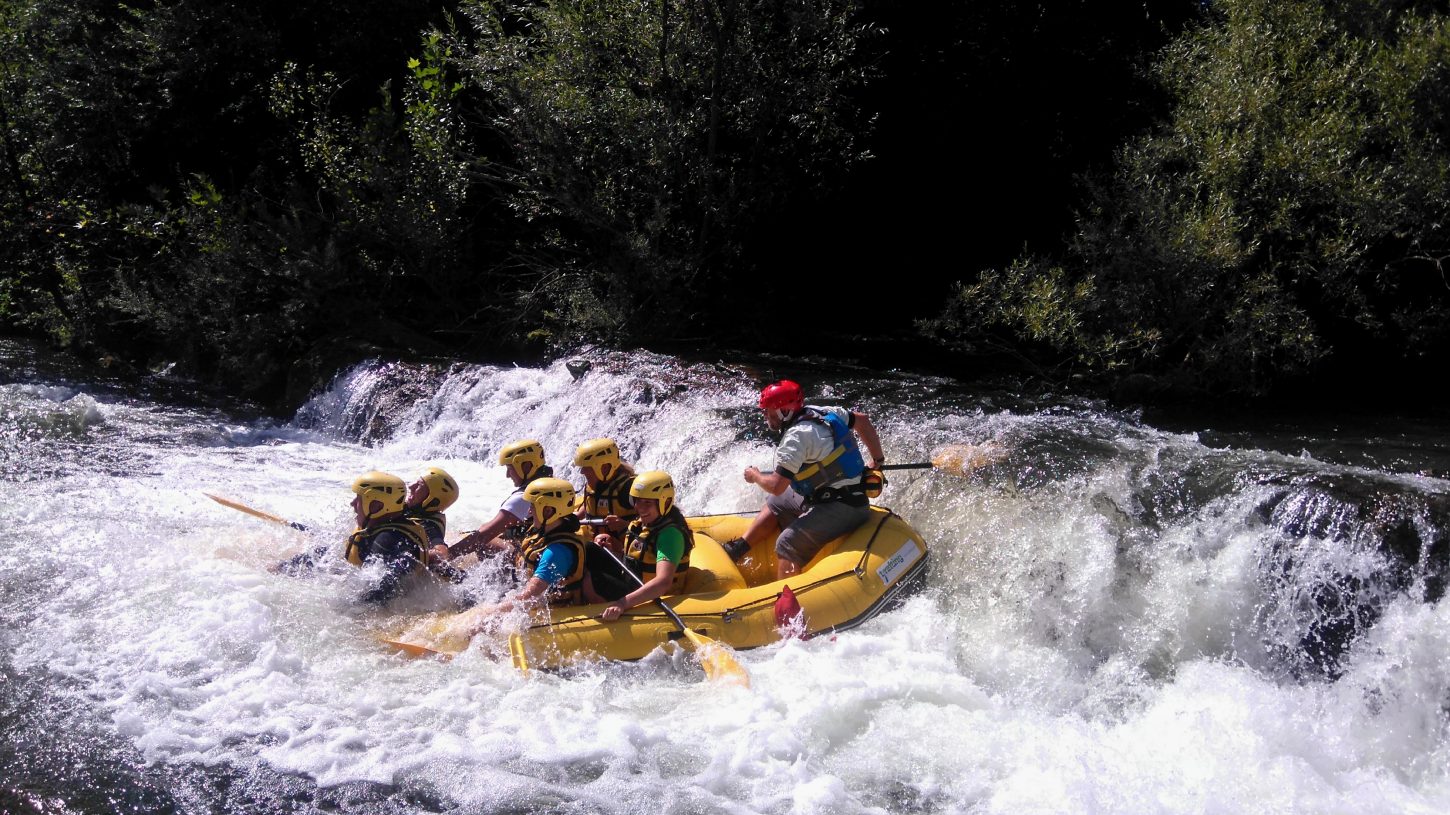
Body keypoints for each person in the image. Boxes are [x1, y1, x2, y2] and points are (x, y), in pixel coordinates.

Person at [731, 379, 886, 579]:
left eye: (768, 410)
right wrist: (878, 460)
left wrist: (755, 476)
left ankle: (786, 605)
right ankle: (739, 548)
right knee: (777, 502)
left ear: (784, 411)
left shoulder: (796, 438)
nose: (765, 415)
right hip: (838, 496)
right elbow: (862, 420)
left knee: (786, 543)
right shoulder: (823, 412)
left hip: (844, 507)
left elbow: (776, 485)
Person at [273, 471, 432, 605]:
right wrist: (286, 566)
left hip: (398, 609)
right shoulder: (384, 528)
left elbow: (389, 581)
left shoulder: (386, 540)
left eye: (359, 499)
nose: (352, 503)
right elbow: (329, 555)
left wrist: (350, 609)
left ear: (376, 505)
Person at [592, 470, 694, 621]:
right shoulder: (643, 524)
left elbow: (663, 582)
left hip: (650, 596)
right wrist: (614, 549)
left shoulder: (670, 535)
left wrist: (622, 603)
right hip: (632, 583)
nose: (640, 508)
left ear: (665, 502)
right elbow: (638, 562)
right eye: (637, 501)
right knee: (590, 551)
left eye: (648, 502)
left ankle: (590, 615)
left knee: (590, 577)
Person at [432, 439, 550, 565]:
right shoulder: (550, 486)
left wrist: (449, 555)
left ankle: (500, 583)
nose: (507, 475)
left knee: (484, 541)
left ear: (526, 466)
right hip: (541, 550)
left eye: (510, 468)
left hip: (528, 559)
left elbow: (483, 535)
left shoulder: (523, 498)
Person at [488, 476, 589, 614]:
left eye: (533, 506)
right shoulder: (539, 532)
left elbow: (528, 597)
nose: (529, 511)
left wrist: (489, 613)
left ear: (548, 511)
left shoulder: (556, 553)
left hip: (559, 614)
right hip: (529, 597)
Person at [573, 437, 637, 536]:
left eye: (587, 467)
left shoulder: (629, 489)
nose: (582, 472)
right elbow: (591, 502)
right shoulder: (593, 485)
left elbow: (654, 523)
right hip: (599, 542)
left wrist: (626, 525)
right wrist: (577, 516)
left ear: (605, 467)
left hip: (624, 547)